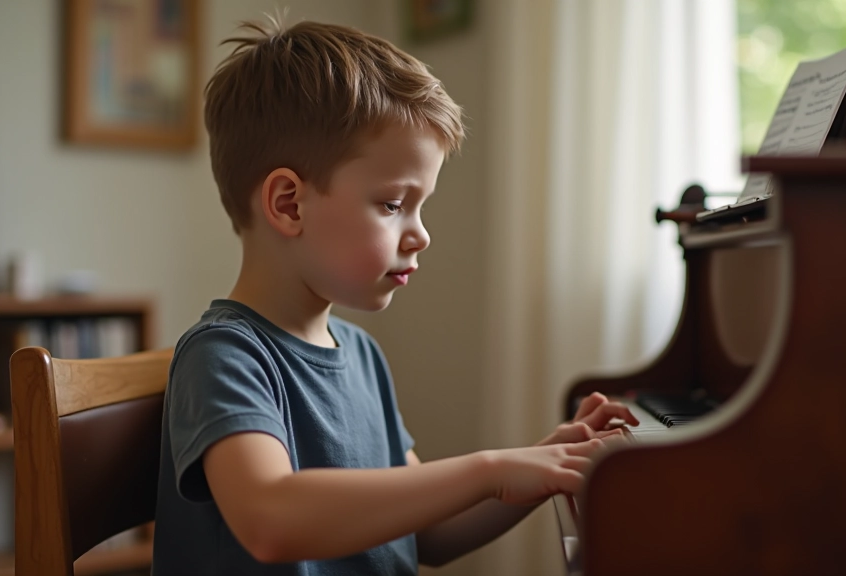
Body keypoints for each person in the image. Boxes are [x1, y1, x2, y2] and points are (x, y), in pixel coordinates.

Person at [152, 16, 639, 576]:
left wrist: (541, 464)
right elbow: (270, 520)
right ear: (289, 204)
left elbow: (426, 535)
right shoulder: (225, 357)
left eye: (420, 204)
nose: (421, 234)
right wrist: (491, 469)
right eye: (392, 204)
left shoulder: (361, 356)